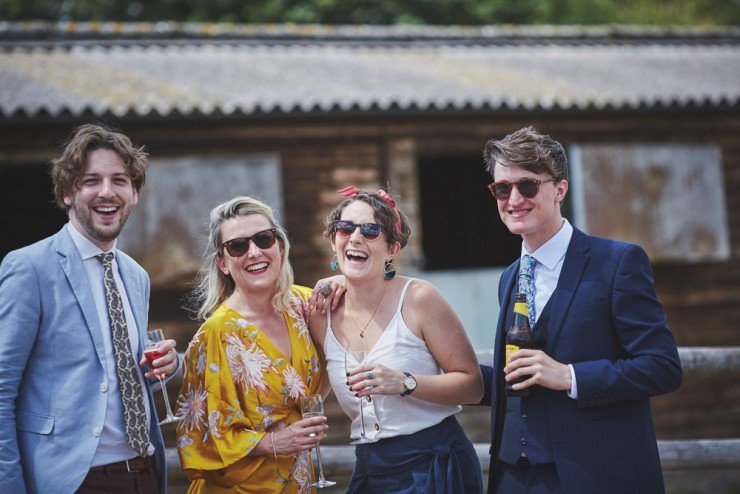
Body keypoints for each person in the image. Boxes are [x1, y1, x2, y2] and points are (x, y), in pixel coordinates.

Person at [478, 126, 683, 494]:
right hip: (514, 477)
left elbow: (662, 367)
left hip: (597, 474)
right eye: (502, 188)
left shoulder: (618, 262)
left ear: (560, 189)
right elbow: (514, 377)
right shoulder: (509, 277)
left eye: (527, 186)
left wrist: (571, 376)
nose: (513, 199)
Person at [0, 123, 179, 494]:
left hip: (144, 473)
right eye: (91, 181)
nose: (107, 192)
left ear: (134, 194)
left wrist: (170, 365)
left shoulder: (136, 275)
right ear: (68, 192)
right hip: (71, 482)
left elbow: (121, 369)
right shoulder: (29, 268)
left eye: (119, 180)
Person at [309, 186, 485, 493]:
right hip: (371, 469)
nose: (355, 237)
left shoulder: (419, 298)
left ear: (392, 250)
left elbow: (473, 386)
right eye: (346, 227)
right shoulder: (319, 312)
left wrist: (406, 382)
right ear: (334, 241)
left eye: (371, 230)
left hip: (433, 464)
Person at [176, 196, 331, 494]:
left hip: (298, 480)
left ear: (280, 247)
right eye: (238, 246)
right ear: (222, 263)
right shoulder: (216, 334)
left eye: (263, 239)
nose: (254, 252)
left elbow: (332, 363)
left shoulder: (303, 304)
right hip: (240, 488)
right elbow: (199, 436)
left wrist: (335, 282)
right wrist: (274, 442)